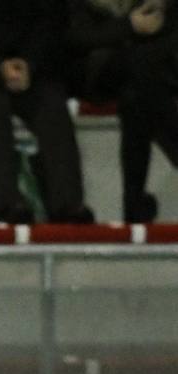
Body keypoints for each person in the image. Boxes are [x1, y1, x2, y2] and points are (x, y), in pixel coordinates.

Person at [0, 0, 94, 223]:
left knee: (52, 107)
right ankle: (8, 203)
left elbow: (52, 21)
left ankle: (68, 203)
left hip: (31, 67)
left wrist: (28, 63)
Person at [67, 0, 178, 222]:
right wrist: (129, 26)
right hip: (98, 66)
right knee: (143, 73)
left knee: (137, 94)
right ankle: (135, 201)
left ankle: (134, 203)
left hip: (149, 71)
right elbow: (72, 36)